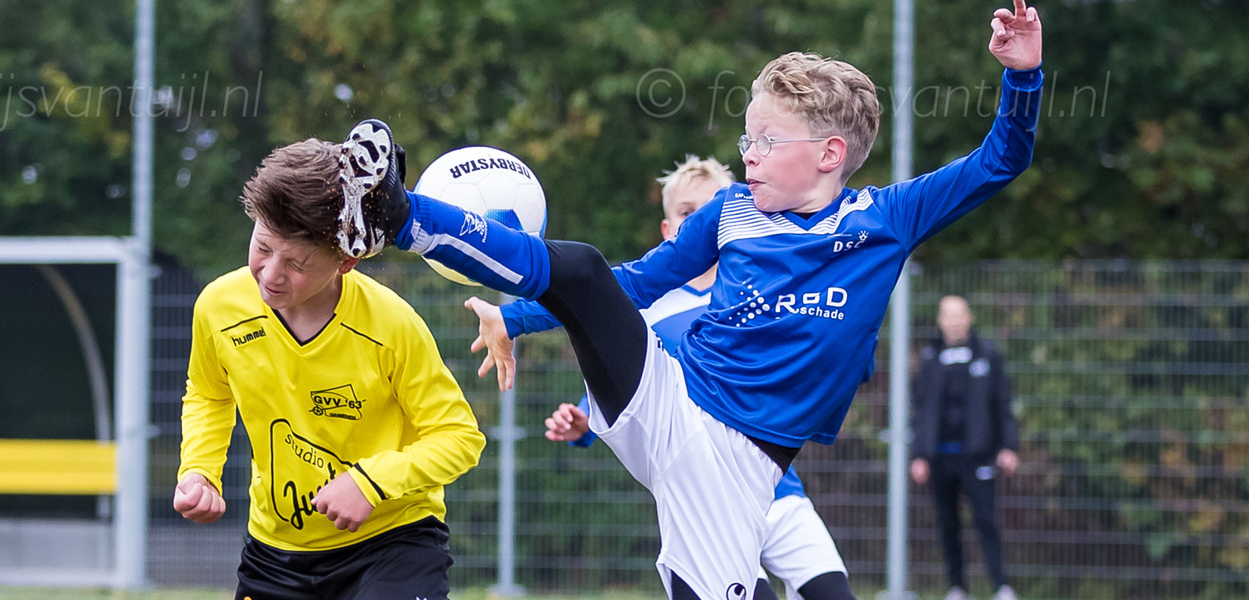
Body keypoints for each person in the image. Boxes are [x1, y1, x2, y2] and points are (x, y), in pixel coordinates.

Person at [331, 2, 1042, 597]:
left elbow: (1000, 160)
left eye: (768, 140)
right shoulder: (732, 211)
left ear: (829, 154)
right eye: (747, 137)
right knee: (585, 271)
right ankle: (394, 212)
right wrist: (513, 318)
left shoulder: (887, 218)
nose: (749, 152)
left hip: (737, 459)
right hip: (671, 395)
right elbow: (639, 281)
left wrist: (1023, 75)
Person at [520, 156, 855, 600]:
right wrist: (583, 422)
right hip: (710, 501)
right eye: (685, 212)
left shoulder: (763, 292)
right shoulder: (649, 310)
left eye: (709, 209)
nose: (698, 220)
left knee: (833, 593)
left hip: (778, 492)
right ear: (667, 229)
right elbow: (627, 384)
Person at [173, 138, 487, 600]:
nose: (270, 274)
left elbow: (458, 437)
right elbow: (209, 393)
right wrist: (199, 471)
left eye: (296, 263)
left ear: (346, 261)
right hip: (277, 550)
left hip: (392, 543)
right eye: (262, 247)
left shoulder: (392, 326)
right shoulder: (218, 307)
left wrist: (371, 483)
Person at [910, 295, 1019, 600]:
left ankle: (1000, 587)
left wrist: (1008, 447)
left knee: (986, 520)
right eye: (949, 315)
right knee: (948, 524)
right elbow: (921, 411)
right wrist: (919, 455)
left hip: (977, 456)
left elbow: (1002, 404)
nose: (955, 321)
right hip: (940, 457)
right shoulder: (930, 359)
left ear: (969, 318)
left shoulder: (987, 355)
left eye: (960, 314)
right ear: (940, 321)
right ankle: (957, 587)